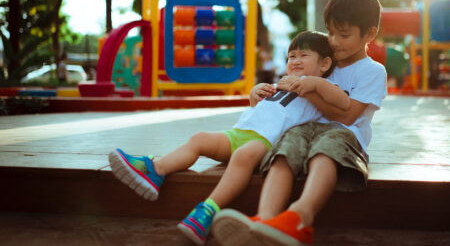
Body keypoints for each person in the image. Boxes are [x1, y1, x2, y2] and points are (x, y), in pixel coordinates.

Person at [107, 31, 350, 245]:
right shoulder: (282, 83)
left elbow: (342, 101)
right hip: (238, 133)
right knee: (200, 138)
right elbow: (260, 108)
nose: (295, 61)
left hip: (265, 142)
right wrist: (255, 94)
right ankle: (155, 170)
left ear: (325, 63)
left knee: (243, 156)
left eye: (303, 56)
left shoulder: (319, 90)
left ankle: (207, 211)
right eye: (291, 56)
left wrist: (312, 82)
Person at [209, 0, 387, 245]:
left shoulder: (372, 71)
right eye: (330, 32)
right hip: (304, 128)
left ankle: (300, 218)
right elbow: (290, 92)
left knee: (325, 151)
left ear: (369, 34)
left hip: (344, 134)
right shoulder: (325, 60)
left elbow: (347, 117)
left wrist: (311, 87)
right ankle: (265, 220)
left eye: (344, 34)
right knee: (283, 150)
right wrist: (262, 93)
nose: (334, 41)